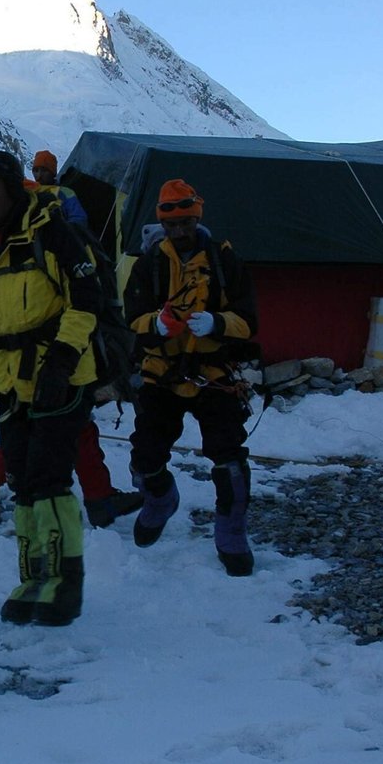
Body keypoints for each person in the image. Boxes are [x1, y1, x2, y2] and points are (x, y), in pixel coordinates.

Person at [0, 150, 104, 626]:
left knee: (50, 481)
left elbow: (86, 298)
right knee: (22, 483)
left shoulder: (53, 235)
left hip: (60, 378)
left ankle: (64, 583)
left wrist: (64, 358)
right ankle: (33, 578)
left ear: (13, 190)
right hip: (6, 383)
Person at [0, 150, 144, 528]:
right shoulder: (57, 213)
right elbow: (88, 289)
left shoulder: (45, 213)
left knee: (68, 424)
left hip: (61, 354)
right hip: (58, 356)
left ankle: (94, 499)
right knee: (47, 430)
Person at [123, 179, 260, 576]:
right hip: (161, 375)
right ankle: (160, 499)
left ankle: (231, 532)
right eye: (172, 225)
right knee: (144, 459)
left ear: (196, 219)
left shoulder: (223, 261)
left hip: (214, 374)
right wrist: (157, 325)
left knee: (229, 457)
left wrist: (218, 322)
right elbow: (131, 318)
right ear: (162, 225)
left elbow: (249, 321)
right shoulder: (147, 265)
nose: (179, 231)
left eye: (185, 223)